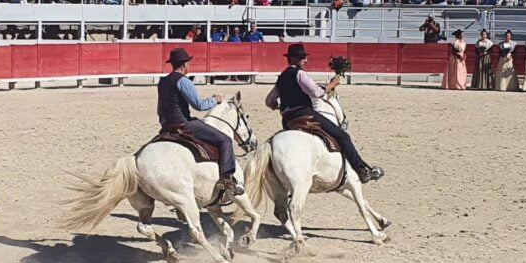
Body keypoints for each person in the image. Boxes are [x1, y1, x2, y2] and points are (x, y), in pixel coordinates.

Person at [265, 44, 384, 184]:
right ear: (293, 58)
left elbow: (269, 101)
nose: (306, 60)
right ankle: (362, 171)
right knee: (342, 135)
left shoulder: (282, 78)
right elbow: (316, 93)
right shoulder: (300, 74)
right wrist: (331, 84)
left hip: (287, 120)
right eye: (302, 58)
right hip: (305, 114)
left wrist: (282, 106)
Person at [158, 48, 241, 204]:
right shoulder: (183, 81)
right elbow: (199, 105)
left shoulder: (162, 81)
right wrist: (215, 100)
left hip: (166, 125)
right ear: (184, 64)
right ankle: (228, 179)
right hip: (183, 123)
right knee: (225, 141)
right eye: (189, 63)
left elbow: (159, 109)